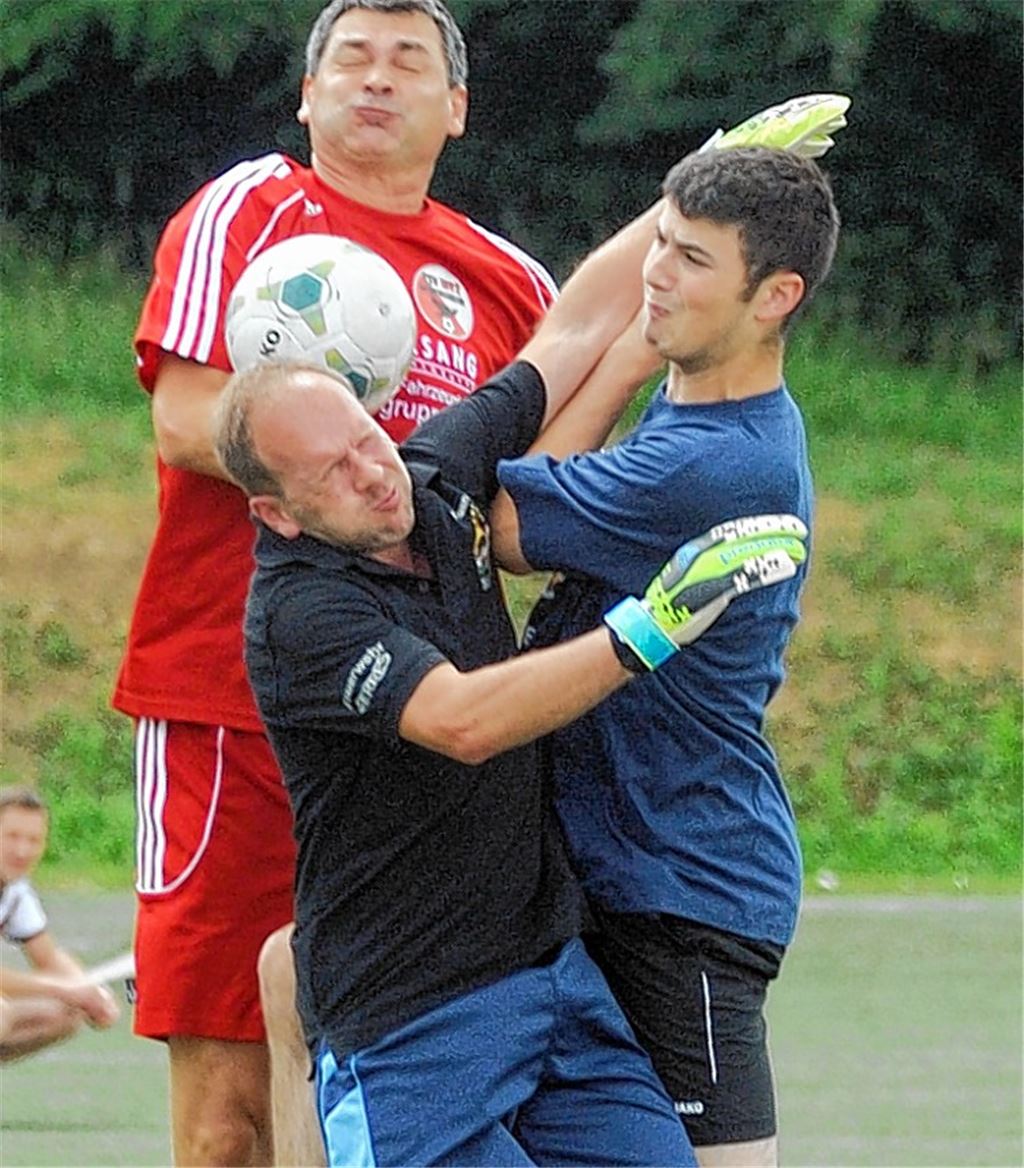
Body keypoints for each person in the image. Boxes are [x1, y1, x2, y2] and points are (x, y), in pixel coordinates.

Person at [212, 177, 807, 1162]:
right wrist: (651, 625)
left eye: (365, 438)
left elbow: (570, 334)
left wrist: (699, 173)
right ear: (276, 513)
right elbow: (464, 719)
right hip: (410, 1019)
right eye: (332, 474)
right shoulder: (300, 614)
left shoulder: (428, 478)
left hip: (554, 986)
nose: (372, 473)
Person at [113, 1, 560, 1161]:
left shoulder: (508, 281)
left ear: (456, 108)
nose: (376, 78)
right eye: (350, 57)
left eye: (408, 60)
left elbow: (532, 506)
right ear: (307, 95)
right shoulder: (252, 209)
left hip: (426, 727)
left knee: (424, 1086)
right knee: (230, 1116)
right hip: (232, 704)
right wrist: (365, 464)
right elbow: (184, 418)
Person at [491, 145, 841, 1167]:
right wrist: (639, 350)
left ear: (775, 297)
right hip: (621, 867)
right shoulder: (704, 401)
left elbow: (504, 523)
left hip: (678, 886)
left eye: (691, 259)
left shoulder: (711, 465)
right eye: (660, 242)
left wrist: (620, 357)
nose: (655, 273)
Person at [0, 787, 120, 1061]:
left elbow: (48, 958)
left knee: (64, 1013)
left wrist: (91, 991)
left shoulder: (16, 891)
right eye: (12, 836)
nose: (22, 850)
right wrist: (63, 989)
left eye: (34, 840)